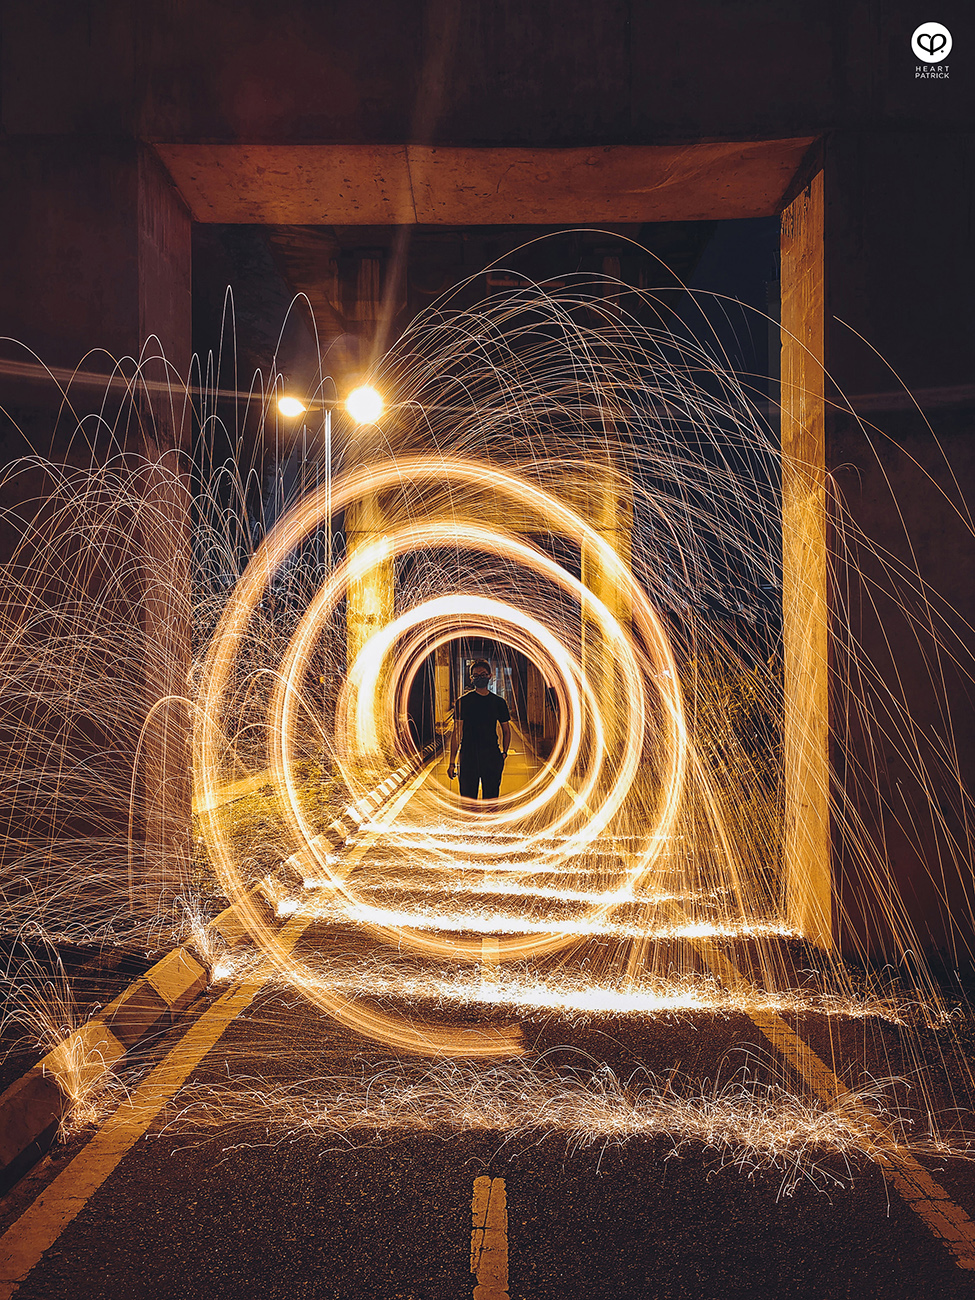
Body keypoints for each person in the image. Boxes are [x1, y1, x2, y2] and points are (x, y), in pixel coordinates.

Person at [447, 660, 511, 800]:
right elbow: (457, 733)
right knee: (468, 802)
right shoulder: (462, 702)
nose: (480, 678)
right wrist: (452, 762)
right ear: (471, 679)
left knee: (491, 800)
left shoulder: (499, 703)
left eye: (483, 674)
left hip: (491, 757)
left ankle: (489, 822)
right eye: (476, 675)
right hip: (468, 757)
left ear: (490, 676)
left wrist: (504, 754)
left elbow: (506, 730)